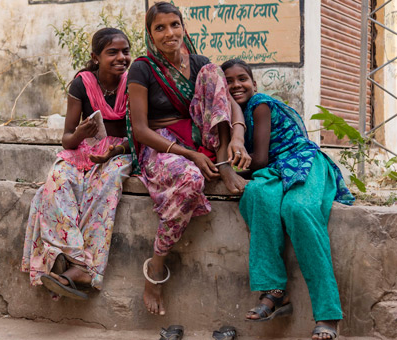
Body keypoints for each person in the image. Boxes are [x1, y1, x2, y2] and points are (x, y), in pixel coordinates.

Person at [125, 1, 251, 318]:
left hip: (200, 136)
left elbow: (227, 104)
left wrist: (237, 136)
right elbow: (140, 129)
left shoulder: (199, 63)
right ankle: (157, 264)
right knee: (192, 180)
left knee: (212, 71)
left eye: (175, 25)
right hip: (163, 145)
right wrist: (189, 154)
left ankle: (223, 164)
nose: (170, 33)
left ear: (183, 27)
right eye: (160, 28)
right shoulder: (142, 68)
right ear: (150, 34)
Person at [222, 58, 354, 340]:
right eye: (229, 81)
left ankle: (328, 313)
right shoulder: (229, 117)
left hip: (304, 161)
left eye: (242, 78)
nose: (236, 85)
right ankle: (274, 291)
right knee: (257, 194)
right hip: (274, 171)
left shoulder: (259, 104)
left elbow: (258, 159)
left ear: (254, 83)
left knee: (297, 208)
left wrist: (225, 170)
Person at [21, 28, 133, 300]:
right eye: (112, 52)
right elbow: (68, 140)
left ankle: (75, 269)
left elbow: (141, 132)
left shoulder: (135, 82)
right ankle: (75, 259)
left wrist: (114, 150)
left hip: (123, 151)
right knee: (56, 180)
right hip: (86, 149)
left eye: (125, 51)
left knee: (104, 187)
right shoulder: (82, 84)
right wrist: (82, 133)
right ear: (95, 57)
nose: (121, 57)